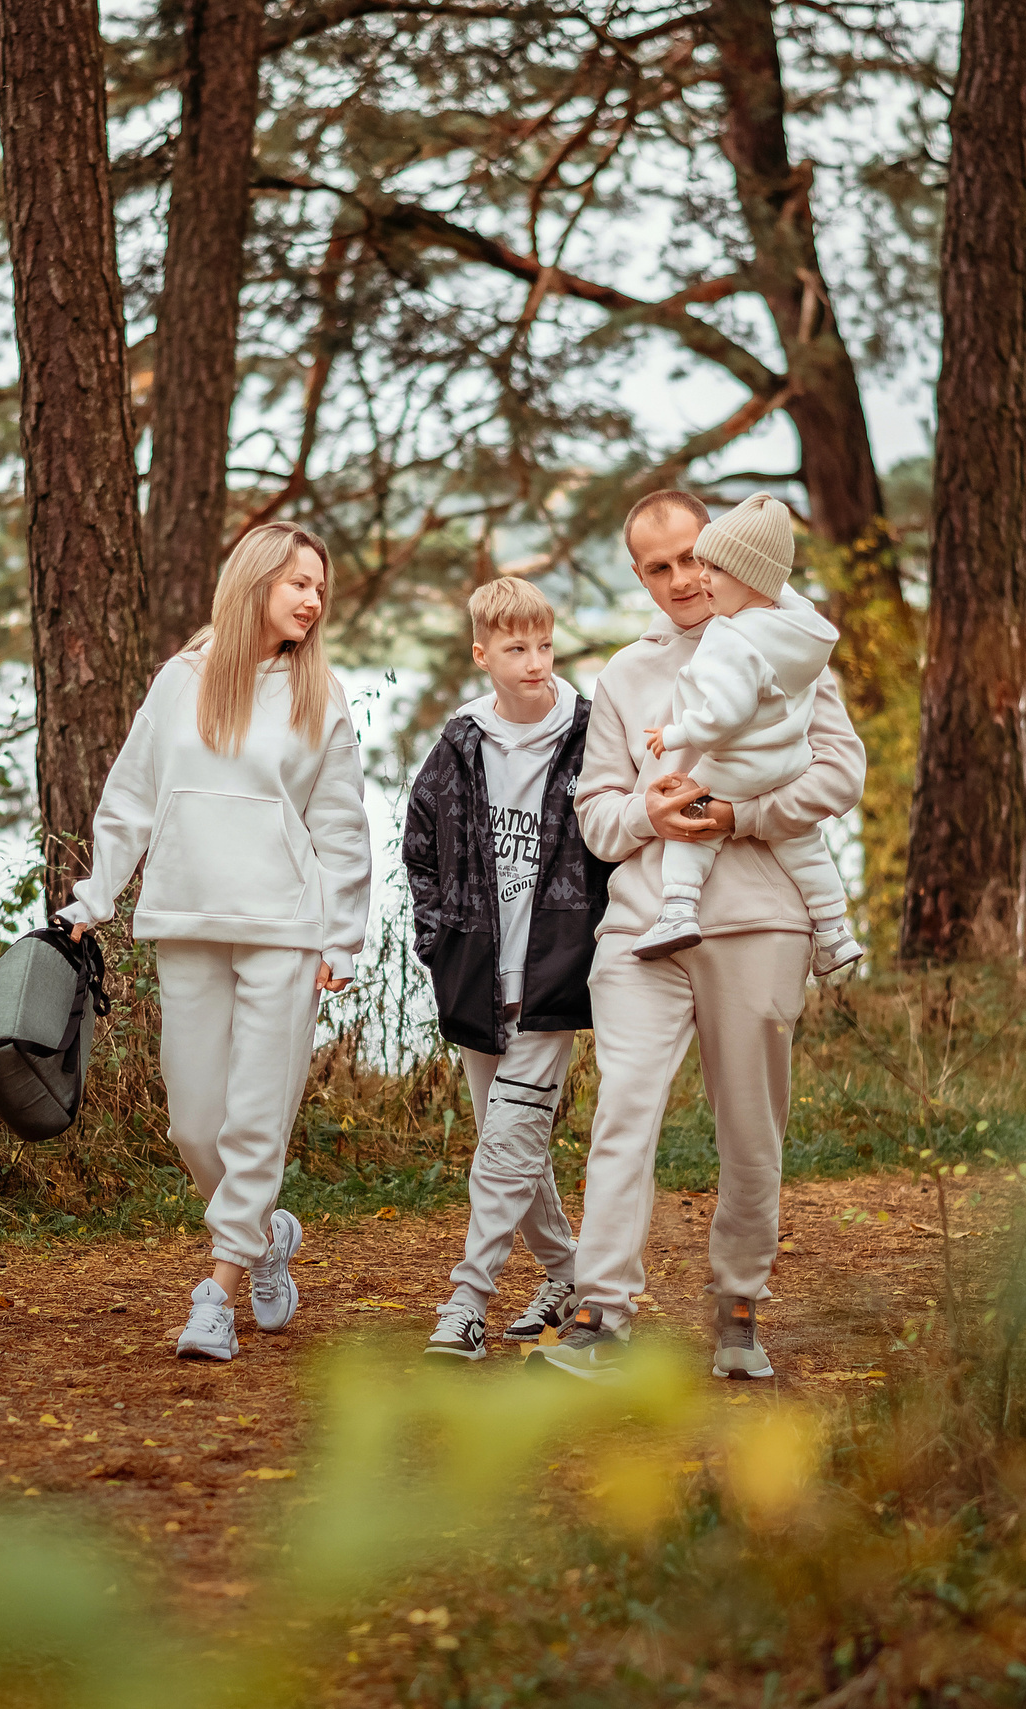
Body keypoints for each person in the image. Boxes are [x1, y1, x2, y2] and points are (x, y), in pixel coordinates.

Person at [534, 490, 866, 1384]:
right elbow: (597, 818)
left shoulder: (786, 642)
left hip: (760, 922)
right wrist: (650, 811)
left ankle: (739, 1302)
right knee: (623, 1114)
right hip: (642, 927)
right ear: (641, 577)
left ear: (722, 556)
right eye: (659, 567)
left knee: (752, 1131)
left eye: (692, 557)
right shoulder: (622, 677)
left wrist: (739, 815)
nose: (682, 580)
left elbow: (841, 770)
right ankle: (603, 1312)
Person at [56, 522, 373, 1363]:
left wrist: (344, 937)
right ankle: (266, 1238)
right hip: (187, 918)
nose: (312, 598)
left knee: (256, 1123)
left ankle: (217, 1293)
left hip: (286, 930)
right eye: (297, 581)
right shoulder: (181, 680)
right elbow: (131, 795)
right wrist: (95, 895)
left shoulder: (320, 692)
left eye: (319, 586)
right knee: (196, 1126)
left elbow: (340, 825)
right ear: (254, 581)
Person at [401, 577, 608, 1360]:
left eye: (545, 645)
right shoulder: (460, 743)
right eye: (516, 648)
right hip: (478, 974)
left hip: (558, 971)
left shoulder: (589, 731)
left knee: (510, 1135)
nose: (536, 662)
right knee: (508, 1140)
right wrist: (437, 941)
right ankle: (569, 1272)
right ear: (482, 653)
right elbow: (420, 846)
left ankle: (467, 1300)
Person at [630, 494, 864, 982]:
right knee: (805, 846)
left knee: (694, 824)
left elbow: (724, 715)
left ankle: (676, 908)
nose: (695, 579)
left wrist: (676, 733)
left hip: (739, 771)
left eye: (703, 563)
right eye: (660, 568)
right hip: (787, 765)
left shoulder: (730, 639)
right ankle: (834, 931)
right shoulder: (795, 631)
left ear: (746, 578)